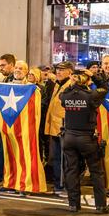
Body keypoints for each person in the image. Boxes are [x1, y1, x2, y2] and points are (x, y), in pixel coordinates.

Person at [60, 68, 109, 214]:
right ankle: (100, 206)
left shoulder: (65, 95)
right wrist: (94, 76)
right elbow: (106, 87)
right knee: (96, 172)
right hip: (87, 138)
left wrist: (71, 83)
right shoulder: (91, 95)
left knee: (72, 171)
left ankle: (73, 205)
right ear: (87, 80)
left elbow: (62, 98)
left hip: (69, 137)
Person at [44, 61, 73, 196]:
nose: (58, 72)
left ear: (70, 72)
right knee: (56, 158)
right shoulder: (58, 84)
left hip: (64, 127)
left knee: (63, 159)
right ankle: (58, 184)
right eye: (58, 70)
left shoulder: (71, 85)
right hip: (55, 127)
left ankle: (62, 186)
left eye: (62, 70)